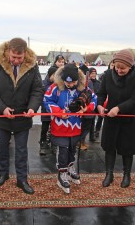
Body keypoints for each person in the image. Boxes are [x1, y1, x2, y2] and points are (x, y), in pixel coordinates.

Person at [0, 38, 43, 195]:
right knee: (3, 148)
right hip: (2, 116)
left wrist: (32, 107)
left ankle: (22, 179)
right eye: (13, 57)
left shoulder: (32, 66)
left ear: (25, 54)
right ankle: (3, 174)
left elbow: (37, 89)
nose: (16, 61)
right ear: (8, 52)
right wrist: (2, 108)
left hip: (23, 116)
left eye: (20, 57)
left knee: (22, 150)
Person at [44, 63, 97, 193]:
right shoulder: (55, 88)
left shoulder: (82, 88)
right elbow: (46, 100)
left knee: (72, 149)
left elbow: (94, 99)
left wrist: (86, 108)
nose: (71, 85)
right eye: (68, 82)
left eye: (73, 82)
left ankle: (70, 168)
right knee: (62, 151)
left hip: (76, 126)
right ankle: (62, 174)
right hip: (60, 126)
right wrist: (59, 112)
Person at [96, 49, 135, 188]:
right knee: (110, 146)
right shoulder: (108, 75)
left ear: (130, 66)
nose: (120, 70)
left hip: (130, 117)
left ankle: (126, 175)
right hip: (111, 116)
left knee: (127, 148)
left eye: (123, 68)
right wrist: (99, 106)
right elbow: (101, 93)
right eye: (117, 67)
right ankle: (108, 174)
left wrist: (119, 108)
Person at [39, 66, 58, 155]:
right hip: (46, 110)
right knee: (44, 128)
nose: (55, 77)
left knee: (54, 128)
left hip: (54, 111)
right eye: (54, 75)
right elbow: (41, 97)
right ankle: (43, 144)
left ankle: (53, 144)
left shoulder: (58, 85)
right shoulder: (44, 84)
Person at [87, 67, 101, 142]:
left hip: (96, 103)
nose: (93, 75)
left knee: (93, 121)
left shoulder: (98, 83)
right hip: (89, 104)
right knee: (88, 122)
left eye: (95, 74)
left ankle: (92, 137)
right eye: (92, 73)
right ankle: (82, 139)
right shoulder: (87, 82)